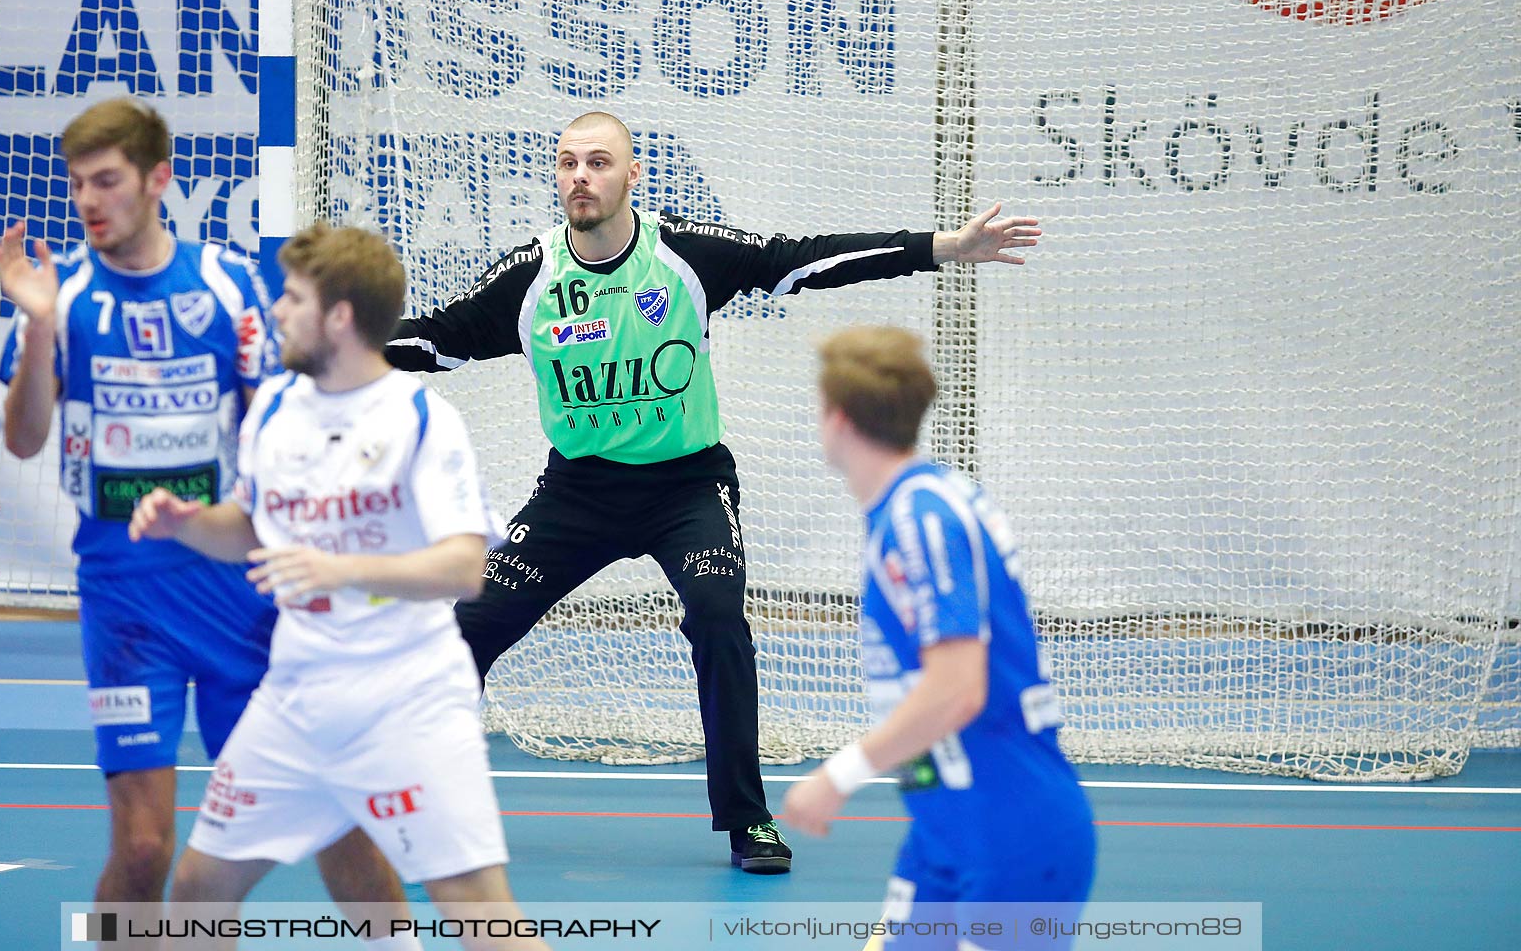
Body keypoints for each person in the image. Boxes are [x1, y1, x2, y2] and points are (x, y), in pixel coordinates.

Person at [382, 110, 1041, 873]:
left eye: (598, 162)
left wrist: (944, 248)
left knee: (719, 616)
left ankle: (747, 821)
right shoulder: (533, 280)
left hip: (686, 487)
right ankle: (414, 800)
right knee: (466, 631)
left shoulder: (684, 257)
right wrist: (326, 347)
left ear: (634, 177)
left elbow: (804, 260)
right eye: (567, 163)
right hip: (578, 494)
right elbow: (433, 341)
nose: (580, 177)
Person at [0, 99, 399, 912]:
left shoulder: (225, 285)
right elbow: (26, 439)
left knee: (330, 817)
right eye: (76, 185)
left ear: (158, 179)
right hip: (123, 596)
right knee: (142, 849)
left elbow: (275, 425)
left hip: (231, 589)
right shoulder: (63, 296)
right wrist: (38, 331)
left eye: (106, 181)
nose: (89, 202)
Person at [129, 223, 546, 951]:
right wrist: (189, 524)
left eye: (293, 298)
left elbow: (463, 567)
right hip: (295, 700)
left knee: (483, 919)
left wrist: (344, 569)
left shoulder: (421, 419)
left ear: (341, 317)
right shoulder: (277, 411)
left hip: (406, 698)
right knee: (198, 890)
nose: (278, 314)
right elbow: (255, 528)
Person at [781, 326, 1096, 949]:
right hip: (945, 828)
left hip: (1010, 835)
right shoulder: (915, 506)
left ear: (837, 419)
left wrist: (837, 776)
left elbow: (958, 691)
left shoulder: (921, 518)